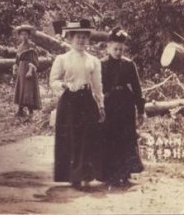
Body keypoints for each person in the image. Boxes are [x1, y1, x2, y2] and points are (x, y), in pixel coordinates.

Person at [49, 19, 105, 190]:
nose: (81, 40)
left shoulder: (93, 60)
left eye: (84, 37)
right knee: (71, 137)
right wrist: (64, 85)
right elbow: (53, 81)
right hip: (69, 101)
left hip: (87, 100)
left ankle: (85, 173)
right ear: (71, 38)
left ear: (88, 39)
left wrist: (101, 105)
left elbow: (97, 85)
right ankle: (73, 176)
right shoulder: (62, 59)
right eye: (78, 37)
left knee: (87, 136)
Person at [101, 27, 145, 187]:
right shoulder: (102, 64)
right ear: (108, 47)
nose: (118, 52)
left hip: (126, 104)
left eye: (121, 49)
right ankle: (110, 174)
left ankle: (125, 174)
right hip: (109, 104)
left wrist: (141, 110)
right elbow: (98, 87)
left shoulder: (129, 64)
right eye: (115, 49)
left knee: (126, 138)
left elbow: (137, 88)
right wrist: (99, 105)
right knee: (110, 137)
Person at [13, 25, 41, 117]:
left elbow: (34, 59)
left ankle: (31, 111)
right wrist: (15, 67)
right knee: (21, 88)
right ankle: (20, 110)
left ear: (28, 36)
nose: (24, 36)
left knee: (28, 89)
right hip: (21, 68)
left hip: (29, 68)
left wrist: (30, 71)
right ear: (19, 36)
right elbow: (17, 59)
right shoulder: (20, 46)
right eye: (22, 34)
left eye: (25, 34)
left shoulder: (31, 45)